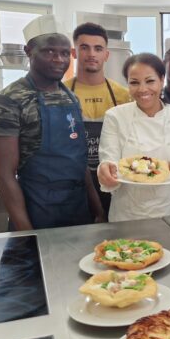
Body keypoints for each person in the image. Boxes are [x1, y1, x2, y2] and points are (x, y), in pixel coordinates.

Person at [0, 15, 103, 230]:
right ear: (29, 51)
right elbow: (4, 175)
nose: (59, 59)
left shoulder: (70, 97)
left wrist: (98, 211)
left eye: (64, 53)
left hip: (78, 210)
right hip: (37, 211)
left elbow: (80, 163)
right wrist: (26, 233)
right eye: (49, 51)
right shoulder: (9, 100)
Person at [97, 53, 170, 222]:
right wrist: (106, 170)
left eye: (150, 81)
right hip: (129, 213)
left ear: (162, 80)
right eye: (134, 83)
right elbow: (109, 160)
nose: (143, 89)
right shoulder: (115, 116)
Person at [63, 22, 130, 217]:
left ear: (106, 55)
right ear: (74, 53)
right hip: (73, 182)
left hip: (113, 180)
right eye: (84, 47)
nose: (91, 54)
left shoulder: (123, 95)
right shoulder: (62, 92)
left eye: (98, 48)